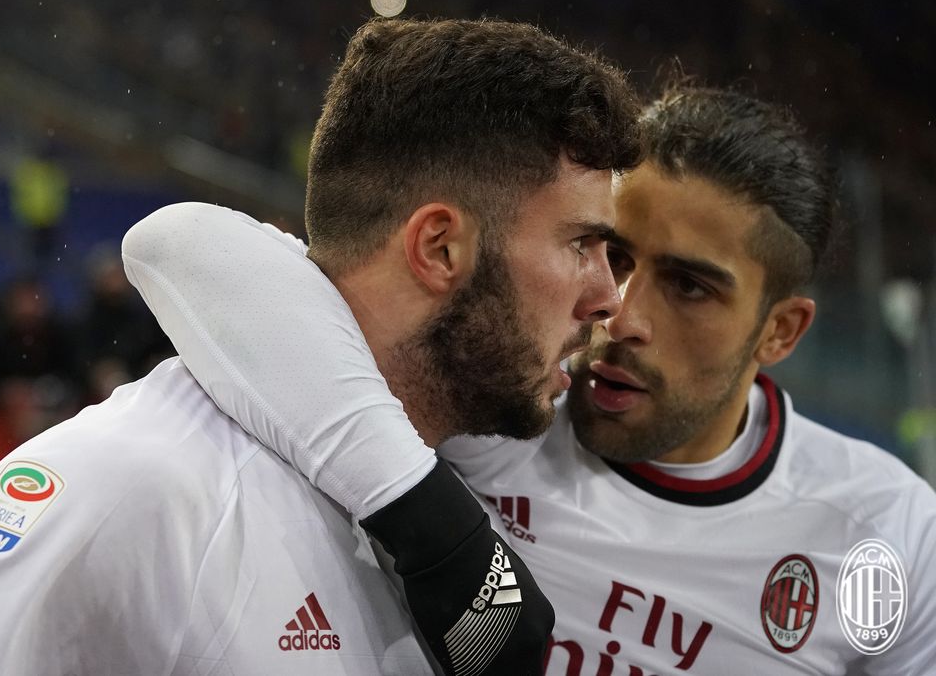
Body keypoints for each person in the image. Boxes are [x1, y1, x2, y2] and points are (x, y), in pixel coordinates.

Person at [0, 17, 644, 675]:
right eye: (583, 244)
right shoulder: (136, 482)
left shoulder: (449, 495)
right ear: (439, 248)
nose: (610, 297)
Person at [113, 85, 936, 674]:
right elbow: (185, 246)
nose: (620, 312)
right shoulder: (492, 404)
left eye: (689, 286)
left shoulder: (887, 535)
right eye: (610, 253)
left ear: (781, 331)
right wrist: (432, 517)